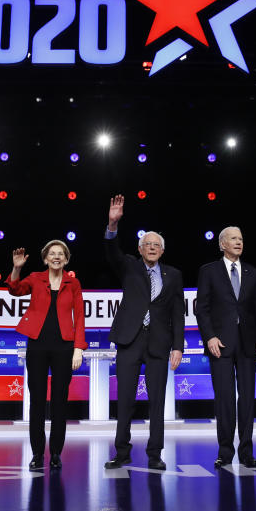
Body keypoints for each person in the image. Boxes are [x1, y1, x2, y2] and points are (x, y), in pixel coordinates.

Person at [102, 195, 185, 471]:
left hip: (160, 344)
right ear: (140, 248)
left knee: (157, 402)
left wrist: (178, 346)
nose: (151, 248)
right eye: (147, 244)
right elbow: (111, 250)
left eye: (156, 245)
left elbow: (177, 313)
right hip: (130, 340)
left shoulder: (173, 275)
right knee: (125, 400)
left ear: (162, 251)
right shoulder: (129, 265)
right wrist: (113, 223)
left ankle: (155, 454)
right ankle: (122, 452)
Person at [7, 240, 87, 470]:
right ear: (45, 258)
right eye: (52, 254)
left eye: (60, 254)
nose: (56, 257)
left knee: (60, 402)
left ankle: (55, 453)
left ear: (66, 259)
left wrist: (78, 348)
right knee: (37, 401)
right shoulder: (34, 277)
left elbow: (79, 316)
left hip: (64, 346)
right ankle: (36, 454)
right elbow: (14, 289)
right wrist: (17, 268)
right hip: (37, 345)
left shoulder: (73, 283)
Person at [195, 226, 256, 469]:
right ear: (222, 244)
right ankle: (224, 451)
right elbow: (202, 308)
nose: (239, 242)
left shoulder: (253, 273)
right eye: (234, 239)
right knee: (225, 399)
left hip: (248, 343)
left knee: (247, 399)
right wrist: (210, 337)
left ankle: (246, 451)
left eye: (241, 238)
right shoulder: (208, 271)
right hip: (221, 344)